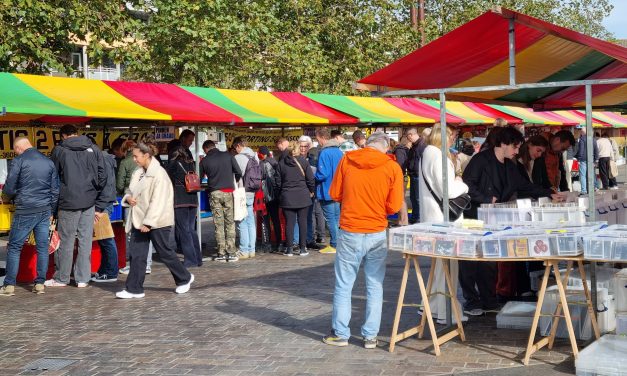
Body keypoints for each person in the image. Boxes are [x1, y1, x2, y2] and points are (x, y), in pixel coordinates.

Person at [461, 126, 560, 315]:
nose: (516, 151)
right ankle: (471, 301)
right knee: (470, 261)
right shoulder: (481, 160)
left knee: (489, 261)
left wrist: (549, 193)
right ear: (504, 144)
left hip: (494, 219)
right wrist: (485, 198)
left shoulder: (509, 165)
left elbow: (524, 186)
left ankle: (488, 300)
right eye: (515, 147)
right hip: (474, 217)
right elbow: (468, 185)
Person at [322, 132, 403, 349]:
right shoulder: (391, 166)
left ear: (366, 144)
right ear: (385, 147)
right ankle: (370, 336)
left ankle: (340, 333)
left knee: (343, 284)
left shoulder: (347, 160)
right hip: (376, 230)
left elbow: (335, 193)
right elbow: (394, 206)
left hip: (350, 229)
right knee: (374, 285)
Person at [117, 141, 194, 299]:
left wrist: (148, 222)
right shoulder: (138, 172)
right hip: (139, 218)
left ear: (146, 155)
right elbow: (130, 190)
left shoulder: (159, 174)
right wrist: (128, 198)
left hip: (157, 220)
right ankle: (134, 288)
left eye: (137, 156)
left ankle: (184, 278)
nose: (134, 160)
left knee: (164, 252)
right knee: (137, 254)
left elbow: (159, 200)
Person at [419, 124, 469, 324]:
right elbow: (449, 191)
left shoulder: (428, 154)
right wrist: (461, 182)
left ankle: (433, 307)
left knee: (440, 268)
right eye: (451, 136)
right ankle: (444, 310)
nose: (452, 139)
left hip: (435, 218)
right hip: (443, 221)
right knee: (447, 268)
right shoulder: (438, 156)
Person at [46, 125, 106, 288]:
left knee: (66, 241)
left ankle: (62, 278)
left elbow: (53, 179)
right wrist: (96, 196)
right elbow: (103, 176)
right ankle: (82, 278)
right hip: (89, 201)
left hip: (68, 201)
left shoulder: (59, 150)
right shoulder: (93, 148)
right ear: (76, 133)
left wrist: (53, 206)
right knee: (85, 240)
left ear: (63, 136)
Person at [0, 138, 58, 297]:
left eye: (15, 149)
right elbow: (55, 190)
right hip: (44, 209)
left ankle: (9, 285)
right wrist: (52, 210)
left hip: (25, 209)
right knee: (42, 247)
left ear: (18, 148)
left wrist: (5, 197)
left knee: (14, 247)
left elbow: (10, 186)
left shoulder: (19, 161)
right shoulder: (48, 162)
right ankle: (39, 283)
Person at [200, 140, 242, 262]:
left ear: (206, 149)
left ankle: (221, 252)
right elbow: (238, 172)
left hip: (214, 192)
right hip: (228, 191)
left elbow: (199, 177)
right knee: (230, 222)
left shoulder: (205, 161)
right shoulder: (228, 156)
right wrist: (233, 180)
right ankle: (231, 251)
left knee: (219, 223)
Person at [274, 144, 315, 257]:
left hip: (287, 197)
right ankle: (302, 249)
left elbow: (277, 183)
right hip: (303, 196)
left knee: (289, 223)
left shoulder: (281, 163)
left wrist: (280, 195)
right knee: (303, 222)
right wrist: (311, 191)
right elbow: (311, 179)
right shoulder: (304, 162)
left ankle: (289, 249)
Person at [167, 145, 202, 268]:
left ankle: (191, 260)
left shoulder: (173, 164)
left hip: (180, 200)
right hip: (193, 199)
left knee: (184, 230)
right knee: (191, 229)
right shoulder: (191, 163)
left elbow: (167, 178)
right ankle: (198, 258)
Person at [90, 147, 120, 283]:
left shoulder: (102, 161)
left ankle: (111, 272)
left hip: (102, 205)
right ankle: (104, 271)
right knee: (103, 239)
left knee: (106, 239)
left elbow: (106, 187)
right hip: (103, 204)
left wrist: (99, 208)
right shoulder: (105, 160)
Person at [315, 128, 344, 254]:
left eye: (317, 139)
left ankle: (334, 244)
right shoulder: (338, 151)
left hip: (327, 190)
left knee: (331, 219)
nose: (318, 142)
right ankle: (338, 243)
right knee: (336, 218)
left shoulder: (324, 152)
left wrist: (312, 176)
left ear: (322, 138)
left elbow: (323, 174)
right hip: (337, 190)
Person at [233, 137, 260, 258]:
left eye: (235, 148)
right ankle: (251, 249)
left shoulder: (239, 158)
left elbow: (235, 176)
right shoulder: (254, 156)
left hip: (242, 191)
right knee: (250, 221)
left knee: (242, 221)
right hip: (252, 191)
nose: (235, 150)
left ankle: (244, 250)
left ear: (239, 145)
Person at [296, 135, 321, 250]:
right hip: (297, 191)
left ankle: (309, 239)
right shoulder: (294, 158)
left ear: (309, 146)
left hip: (310, 191)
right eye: (301, 146)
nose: (303, 149)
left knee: (309, 216)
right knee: (298, 217)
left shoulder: (314, 158)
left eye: (305, 146)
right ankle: (298, 240)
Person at [258, 146, 280, 252]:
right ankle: (279, 242)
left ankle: (267, 244)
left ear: (263, 154)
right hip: (275, 196)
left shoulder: (262, 163)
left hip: (265, 196)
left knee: (265, 220)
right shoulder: (275, 162)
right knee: (276, 220)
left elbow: (260, 178)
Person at [405, 127, 429, 224]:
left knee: (417, 198)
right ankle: (416, 217)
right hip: (414, 174)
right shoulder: (416, 145)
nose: (407, 138)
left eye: (407, 136)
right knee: (413, 198)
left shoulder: (421, 145)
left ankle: (418, 218)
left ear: (411, 135)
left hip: (418, 175)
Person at [574, 127, 598, 194]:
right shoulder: (593, 139)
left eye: (581, 132)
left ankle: (584, 190)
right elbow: (596, 149)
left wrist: (579, 159)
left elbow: (581, 150)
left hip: (583, 159)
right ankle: (592, 188)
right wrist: (596, 159)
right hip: (591, 159)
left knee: (583, 175)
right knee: (591, 174)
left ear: (583, 132)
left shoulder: (582, 139)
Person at [393, 135, 411, 226]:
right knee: (401, 198)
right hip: (404, 175)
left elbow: (399, 165)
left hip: (401, 176)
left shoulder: (399, 150)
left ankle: (403, 220)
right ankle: (402, 219)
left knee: (401, 199)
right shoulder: (405, 150)